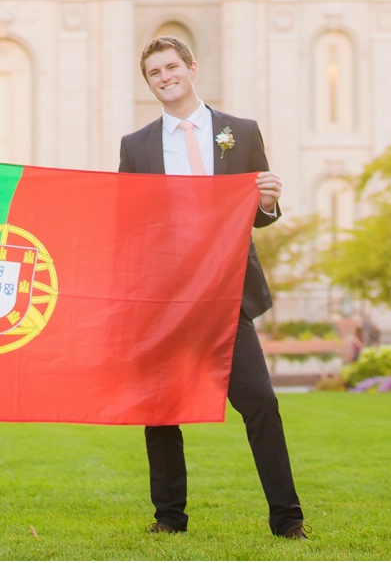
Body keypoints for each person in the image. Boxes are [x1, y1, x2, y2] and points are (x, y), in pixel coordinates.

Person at [119, 35, 307, 542]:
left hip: (226, 295)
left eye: (171, 67)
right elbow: (127, 223)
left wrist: (268, 202)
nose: (165, 77)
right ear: (149, 84)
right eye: (155, 73)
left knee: (261, 402)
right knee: (159, 410)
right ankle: (169, 517)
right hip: (165, 297)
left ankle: (288, 519)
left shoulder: (239, 133)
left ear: (192, 68)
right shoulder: (135, 147)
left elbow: (258, 216)